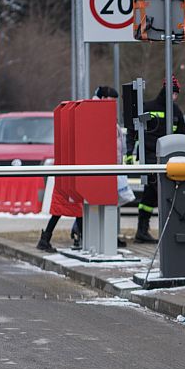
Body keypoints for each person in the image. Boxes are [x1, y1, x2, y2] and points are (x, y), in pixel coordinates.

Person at [37, 86, 123, 253]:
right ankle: (75, 238)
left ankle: (64, 237)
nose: (113, 104)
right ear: (104, 98)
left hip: (73, 169)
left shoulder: (87, 110)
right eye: (111, 100)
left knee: (78, 206)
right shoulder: (94, 112)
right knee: (76, 205)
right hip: (79, 168)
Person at [131, 76, 185, 243]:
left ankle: (141, 232)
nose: (175, 97)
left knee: (149, 196)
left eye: (176, 95)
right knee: (164, 194)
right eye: (174, 94)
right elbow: (136, 131)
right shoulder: (158, 109)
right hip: (153, 158)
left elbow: (183, 134)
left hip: (161, 158)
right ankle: (168, 231)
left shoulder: (171, 110)